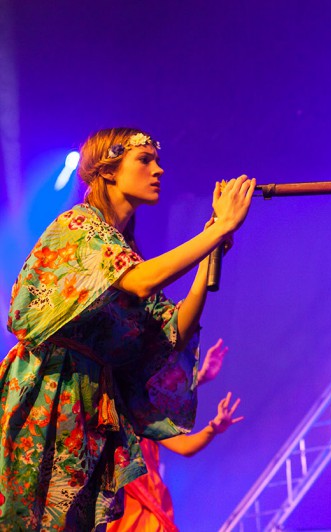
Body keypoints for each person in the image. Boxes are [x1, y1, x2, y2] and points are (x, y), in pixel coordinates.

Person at [0, 128, 255, 529]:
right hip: (49, 390)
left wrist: (211, 251)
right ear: (108, 170)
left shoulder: (123, 250)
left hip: (90, 404)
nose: (159, 169)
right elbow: (139, 281)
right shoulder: (79, 226)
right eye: (145, 160)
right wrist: (216, 230)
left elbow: (173, 331)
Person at [108, 339, 244, 532]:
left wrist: (213, 428)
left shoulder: (144, 416)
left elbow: (184, 446)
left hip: (150, 512)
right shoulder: (95, 408)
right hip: (116, 510)